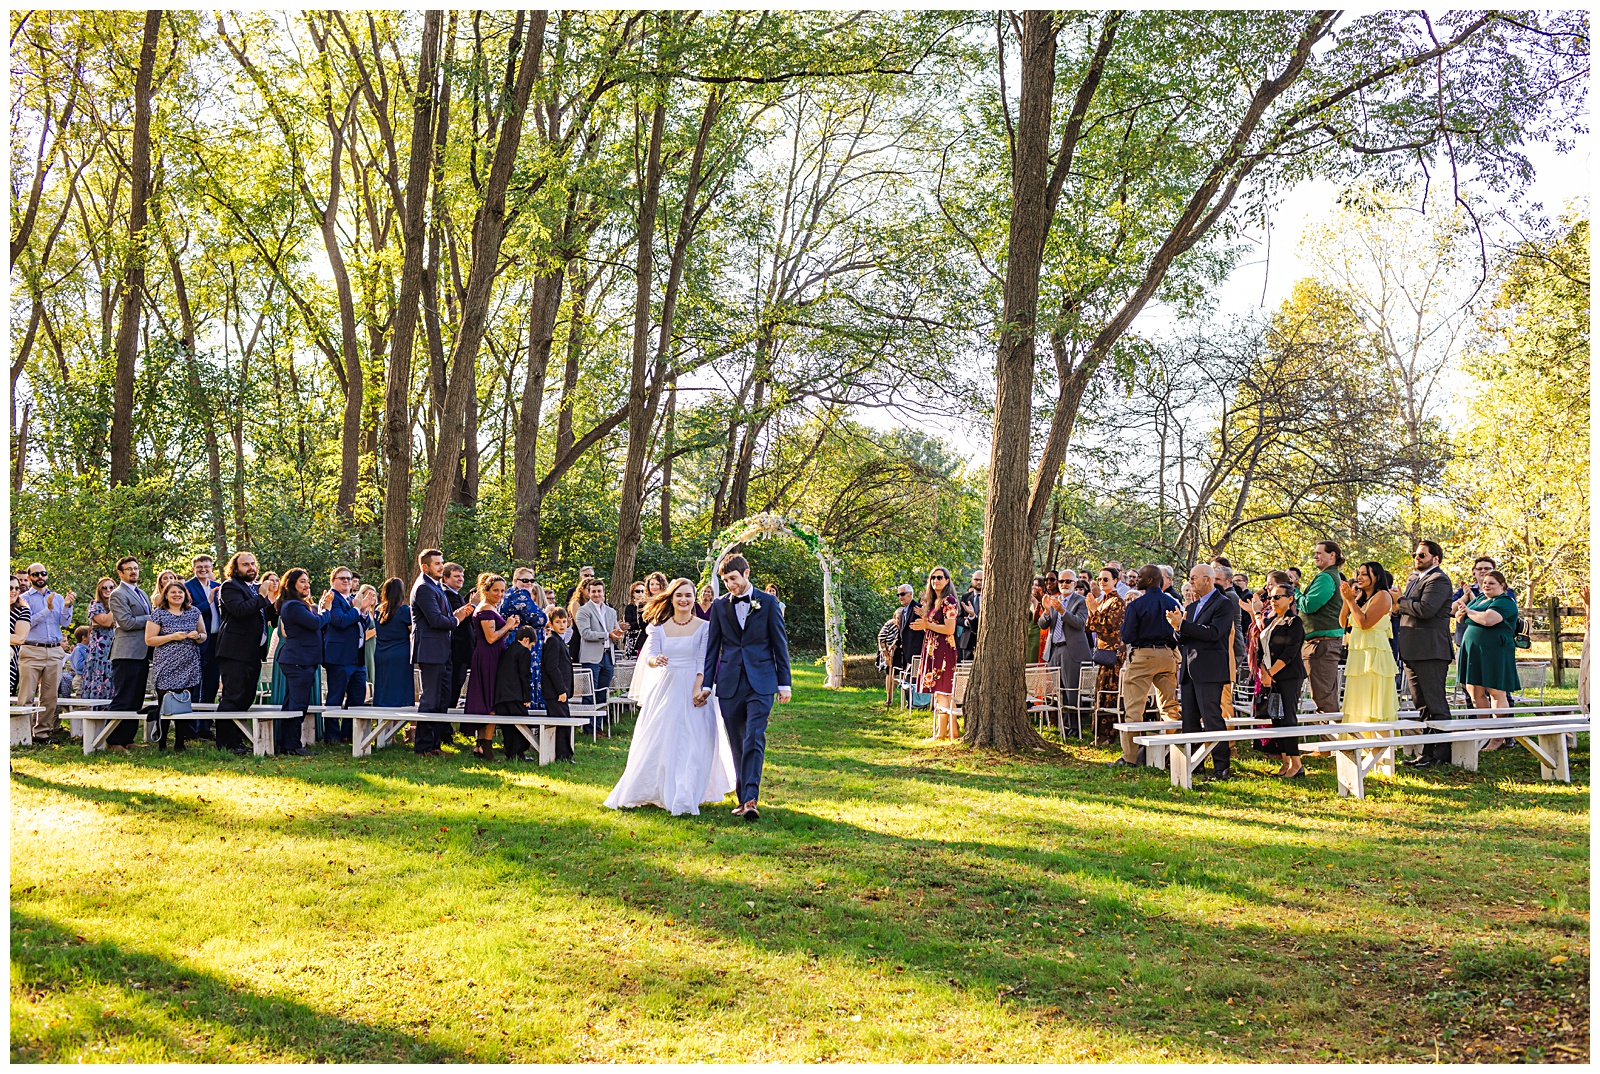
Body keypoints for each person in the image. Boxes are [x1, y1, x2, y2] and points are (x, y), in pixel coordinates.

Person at [607, 578, 738, 815]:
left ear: (694, 598)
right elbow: (650, 655)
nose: (684, 600)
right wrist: (655, 660)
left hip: (693, 686)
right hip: (666, 686)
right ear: (672, 598)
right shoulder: (657, 627)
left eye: (688, 596)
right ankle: (655, 787)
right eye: (679, 595)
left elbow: (703, 660)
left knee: (692, 739)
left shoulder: (704, 627)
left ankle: (686, 791)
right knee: (662, 737)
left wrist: (699, 687)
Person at [697, 555, 791, 820]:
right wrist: (707, 683)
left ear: (746, 573)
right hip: (728, 683)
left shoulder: (769, 603)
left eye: (733, 579)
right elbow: (712, 647)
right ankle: (743, 799)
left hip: (761, 682)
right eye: (725, 580)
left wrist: (785, 683)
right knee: (737, 742)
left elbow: (779, 645)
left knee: (754, 736)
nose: (730, 585)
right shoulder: (718, 606)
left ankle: (751, 799)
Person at [1167, 564, 1236, 782]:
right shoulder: (1194, 605)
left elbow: (1215, 633)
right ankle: (1194, 764)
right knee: (1189, 721)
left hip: (1209, 670)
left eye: (1194, 578)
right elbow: (1187, 638)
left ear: (1208, 579)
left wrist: (1184, 626)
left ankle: (1221, 768)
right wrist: (1177, 628)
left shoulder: (1223, 604)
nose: (1191, 582)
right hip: (1189, 670)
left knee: (1212, 718)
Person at [1112, 565, 1181, 767]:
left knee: (1134, 707)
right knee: (1169, 706)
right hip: (1167, 655)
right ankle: (1173, 753)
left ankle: (1130, 757)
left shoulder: (1137, 605)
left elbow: (1129, 635)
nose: (1137, 579)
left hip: (1143, 656)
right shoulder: (1173, 602)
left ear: (1151, 580)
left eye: (1140, 576)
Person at [1393, 540, 1454, 769]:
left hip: (1431, 651)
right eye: (1415, 554)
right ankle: (1426, 753)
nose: (1417, 558)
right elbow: (1405, 610)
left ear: (1435, 559)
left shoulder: (1438, 580)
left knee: (1435, 703)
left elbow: (1426, 610)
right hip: (1412, 650)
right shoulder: (1414, 580)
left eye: (1422, 555)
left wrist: (1400, 601)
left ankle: (1442, 754)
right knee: (1422, 704)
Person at [215, 552, 279, 754]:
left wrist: (276, 603)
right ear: (235, 568)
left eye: (253, 564)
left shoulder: (253, 588)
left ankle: (237, 740)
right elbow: (240, 611)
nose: (251, 567)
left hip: (253, 652)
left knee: (247, 697)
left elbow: (264, 615)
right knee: (233, 696)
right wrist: (261, 596)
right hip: (234, 651)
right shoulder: (230, 586)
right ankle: (225, 743)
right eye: (245, 565)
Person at [411, 550, 473, 754]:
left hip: (443, 650)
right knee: (431, 699)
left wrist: (456, 614)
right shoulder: (423, 588)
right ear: (425, 567)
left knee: (442, 698)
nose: (440, 566)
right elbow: (435, 621)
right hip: (431, 651)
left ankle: (435, 745)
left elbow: (442, 616)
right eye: (437, 564)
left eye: (441, 562)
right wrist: (457, 620)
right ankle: (423, 746)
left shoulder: (435, 586)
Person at [1456, 569, 1520, 749]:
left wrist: (1468, 612)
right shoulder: (1478, 599)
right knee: (1474, 690)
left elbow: (1489, 619)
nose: (1486, 585)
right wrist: (1466, 613)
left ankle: (1498, 736)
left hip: (1495, 650)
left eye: (1491, 583)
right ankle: (1484, 732)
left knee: (1495, 690)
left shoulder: (1505, 602)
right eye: (1484, 582)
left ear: (1502, 585)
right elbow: (1459, 617)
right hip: (1474, 650)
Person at [1252, 584, 1307, 777]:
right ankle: (1285, 761)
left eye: (1277, 597)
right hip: (1270, 676)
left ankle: (1297, 763)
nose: (1272, 601)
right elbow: (1261, 649)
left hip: (1288, 675)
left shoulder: (1294, 622)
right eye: (1270, 598)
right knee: (1276, 717)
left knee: (1288, 718)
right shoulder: (1272, 621)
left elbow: (1290, 652)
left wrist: (1271, 673)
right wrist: (1262, 671)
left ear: (1290, 599)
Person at [145, 580, 206, 751]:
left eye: (180, 592)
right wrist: (171, 637)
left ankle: (180, 742)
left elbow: (203, 635)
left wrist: (197, 636)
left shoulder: (194, 612)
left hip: (189, 664)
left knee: (184, 704)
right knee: (166, 703)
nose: (177, 595)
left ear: (186, 595)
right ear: (166, 595)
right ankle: (162, 742)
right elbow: (149, 639)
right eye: (173, 593)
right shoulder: (159, 614)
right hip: (166, 664)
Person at [17, 561, 74, 738]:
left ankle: (42, 732)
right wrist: (47, 610)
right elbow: (28, 623)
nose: (40, 577)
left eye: (43, 573)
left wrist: (67, 606)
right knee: (26, 695)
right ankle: (21, 733)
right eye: (35, 574)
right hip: (32, 648)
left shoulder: (56, 597)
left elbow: (64, 623)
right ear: (29, 578)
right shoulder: (23, 598)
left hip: (54, 650)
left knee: (50, 697)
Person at [465, 573, 519, 760]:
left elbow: (498, 637)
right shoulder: (486, 609)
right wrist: (508, 625)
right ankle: (486, 748)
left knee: (488, 699)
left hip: (493, 655)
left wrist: (508, 628)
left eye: (503, 590)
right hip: (487, 657)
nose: (500, 594)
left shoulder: (492, 608)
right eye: (495, 590)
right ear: (485, 590)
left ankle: (481, 745)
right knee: (490, 700)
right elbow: (490, 638)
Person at [1339, 561, 1398, 731]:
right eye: (1359, 573)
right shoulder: (1360, 598)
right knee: (1358, 699)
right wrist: (1347, 600)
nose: (1359, 577)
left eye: (1364, 574)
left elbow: (1365, 623)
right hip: (1358, 654)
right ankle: (1357, 743)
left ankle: (1376, 745)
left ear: (1377, 576)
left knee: (1372, 700)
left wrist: (1351, 600)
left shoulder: (1383, 596)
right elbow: (1344, 623)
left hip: (1373, 654)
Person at [274, 568, 327, 756]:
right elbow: (315, 623)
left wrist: (319, 608)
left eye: (307, 581)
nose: (307, 584)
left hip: (303, 661)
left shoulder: (300, 605)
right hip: (297, 661)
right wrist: (326, 610)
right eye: (302, 581)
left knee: (293, 704)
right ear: (291, 584)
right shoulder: (292, 606)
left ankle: (285, 743)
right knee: (298, 705)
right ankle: (292, 745)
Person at [107, 557, 153, 750]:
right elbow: (126, 622)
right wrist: (152, 618)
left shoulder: (141, 592)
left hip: (142, 653)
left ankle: (128, 739)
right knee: (123, 697)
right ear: (120, 573)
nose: (134, 572)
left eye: (136, 568)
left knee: (136, 698)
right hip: (126, 653)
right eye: (129, 569)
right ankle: (113, 740)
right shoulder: (117, 594)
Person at [911, 566, 961, 739]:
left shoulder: (949, 600)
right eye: (933, 578)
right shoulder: (935, 601)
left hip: (944, 651)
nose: (936, 580)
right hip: (933, 649)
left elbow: (949, 628)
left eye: (940, 577)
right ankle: (952, 731)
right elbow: (932, 626)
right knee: (941, 692)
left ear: (947, 580)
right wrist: (924, 623)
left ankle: (941, 734)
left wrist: (927, 625)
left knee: (943, 691)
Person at [320, 566, 366, 746]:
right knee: (336, 697)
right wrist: (356, 610)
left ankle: (349, 734)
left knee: (357, 696)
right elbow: (339, 622)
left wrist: (363, 612)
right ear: (333, 581)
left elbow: (363, 624)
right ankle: (332, 737)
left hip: (356, 657)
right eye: (342, 578)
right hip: (339, 657)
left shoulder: (352, 599)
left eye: (348, 578)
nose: (346, 581)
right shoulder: (332, 598)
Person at [1299, 541, 1346, 715]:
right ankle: (1329, 739)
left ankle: (1331, 740)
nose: (1315, 556)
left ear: (1332, 555)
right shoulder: (1328, 576)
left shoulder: (1326, 577)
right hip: (1320, 644)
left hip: (1322, 645)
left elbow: (1310, 605)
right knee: (1323, 697)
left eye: (1319, 553)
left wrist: (1295, 592)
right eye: (1314, 553)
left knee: (1324, 701)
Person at [1037, 573, 1090, 720]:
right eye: (1061, 581)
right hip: (1054, 648)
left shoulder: (1081, 601)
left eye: (1068, 581)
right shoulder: (1054, 600)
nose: (1064, 584)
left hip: (1071, 649)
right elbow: (1042, 624)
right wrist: (1047, 611)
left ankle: (1073, 726)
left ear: (1075, 583)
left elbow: (1080, 623)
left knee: (1071, 690)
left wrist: (1062, 611)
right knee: (1058, 689)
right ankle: (1062, 725)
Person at [1084, 567, 1127, 743]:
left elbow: (1107, 625)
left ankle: (1109, 735)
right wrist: (1092, 610)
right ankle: (1099, 734)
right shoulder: (1102, 601)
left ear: (1115, 580)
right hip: (1101, 652)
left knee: (1110, 694)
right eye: (1100, 579)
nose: (1102, 582)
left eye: (1106, 579)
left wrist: (1094, 612)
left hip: (1113, 654)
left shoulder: (1118, 602)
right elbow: (1089, 626)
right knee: (1100, 693)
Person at [575, 577, 624, 719]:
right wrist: (608, 634)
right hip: (591, 657)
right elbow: (585, 633)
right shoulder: (583, 611)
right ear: (589, 593)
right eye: (593, 591)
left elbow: (616, 629)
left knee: (603, 693)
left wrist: (618, 634)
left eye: (599, 591)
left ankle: (599, 725)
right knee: (590, 693)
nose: (596, 594)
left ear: (604, 592)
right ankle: (589, 727)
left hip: (609, 656)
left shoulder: (611, 611)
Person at [499, 568, 550, 705]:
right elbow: (540, 620)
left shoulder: (511, 593)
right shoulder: (518, 594)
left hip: (518, 645)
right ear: (515, 581)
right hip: (523, 646)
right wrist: (544, 615)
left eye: (532, 581)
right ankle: (529, 715)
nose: (529, 584)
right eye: (525, 580)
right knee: (526, 676)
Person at [493, 625, 540, 762]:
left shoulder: (507, 650)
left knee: (508, 728)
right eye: (531, 645)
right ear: (526, 640)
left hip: (502, 696)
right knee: (523, 725)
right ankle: (518, 752)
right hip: (515, 696)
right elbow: (524, 675)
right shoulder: (523, 652)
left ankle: (511, 753)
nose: (530, 648)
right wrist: (527, 696)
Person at [185, 554, 224, 709]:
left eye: (206, 567)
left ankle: (206, 726)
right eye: (199, 567)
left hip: (217, 639)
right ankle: (193, 724)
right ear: (193, 568)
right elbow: (188, 612)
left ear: (211, 568)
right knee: (196, 683)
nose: (203, 570)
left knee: (212, 682)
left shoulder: (219, 586)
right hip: (199, 640)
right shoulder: (188, 587)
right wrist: (207, 601)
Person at [541, 607, 578, 763]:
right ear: (550, 624)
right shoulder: (552, 641)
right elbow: (552, 667)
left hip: (560, 691)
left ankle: (565, 754)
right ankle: (562, 755)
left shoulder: (559, 640)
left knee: (564, 721)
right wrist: (561, 690)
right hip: (555, 692)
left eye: (564, 621)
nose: (562, 625)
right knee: (561, 723)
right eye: (558, 622)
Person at [372, 578, 415, 707]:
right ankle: (398, 722)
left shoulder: (377, 611)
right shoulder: (405, 611)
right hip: (401, 653)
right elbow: (413, 632)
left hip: (381, 652)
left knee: (383, 686)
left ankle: (383, 722)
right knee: (400, 689)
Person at [442, 562, 474, 713]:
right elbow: (461, 618)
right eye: (456, 576)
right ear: (445, 578)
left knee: (456, 687)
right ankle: (444, 728)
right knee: (452, 689)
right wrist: (476, 603)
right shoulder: (446, 595)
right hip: (456, 651)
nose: (460, 579)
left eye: (462, 575)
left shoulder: (456, 595)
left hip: (462, 651)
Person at [81, 578, 117, 700]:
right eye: (105, 588)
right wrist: (116, 603)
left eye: (112, 587)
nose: (108, 590)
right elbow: (106, 622)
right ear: (99, 590)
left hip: (115, 650)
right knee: (98, 684)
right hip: (99, 653)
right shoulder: (95, 605)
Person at [10, 577, 32, 699]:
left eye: (17, 588)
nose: (14, 591)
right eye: (10, 588)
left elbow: (20, 638)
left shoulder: (23, 610)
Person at [957, 569, 983, 661]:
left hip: (984, 639)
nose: (979, 582)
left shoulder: (991, 597)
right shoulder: (965, 597)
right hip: (968, 640)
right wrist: (966, 622)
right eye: (976, 580)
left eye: (981, 580)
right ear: (972, 580)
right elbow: (958, 618)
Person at [622, 580, 648, 659]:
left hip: (645, 637)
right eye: (637, 591)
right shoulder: (629, 607)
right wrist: (640, 623)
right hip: (632, 638)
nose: (640, 593)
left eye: (643, 591)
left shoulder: (648, 606)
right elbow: (628, 624)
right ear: (633, 593)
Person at [68, 626, 91, 695]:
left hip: (87, 677)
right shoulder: (78, 649)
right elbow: (78, 665)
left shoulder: (89, 648)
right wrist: (90, 662)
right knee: (81, 697)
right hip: (80, 679)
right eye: (91, 634)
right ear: (84, 638)